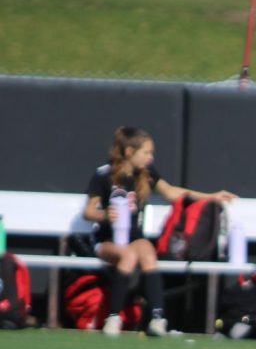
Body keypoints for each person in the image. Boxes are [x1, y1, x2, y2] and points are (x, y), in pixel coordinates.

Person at [83, 126, 236, 337]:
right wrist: (104, 215)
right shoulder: (104, 175)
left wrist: (211, 196)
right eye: (146, 152)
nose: (150, 158)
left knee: (148, 253)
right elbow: (89, 211)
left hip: (133, 237)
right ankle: (114, 316)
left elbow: (172, 193)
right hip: (107, 239)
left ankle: (157, 318)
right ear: (129, 152)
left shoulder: (146, 174)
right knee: (127, 255)